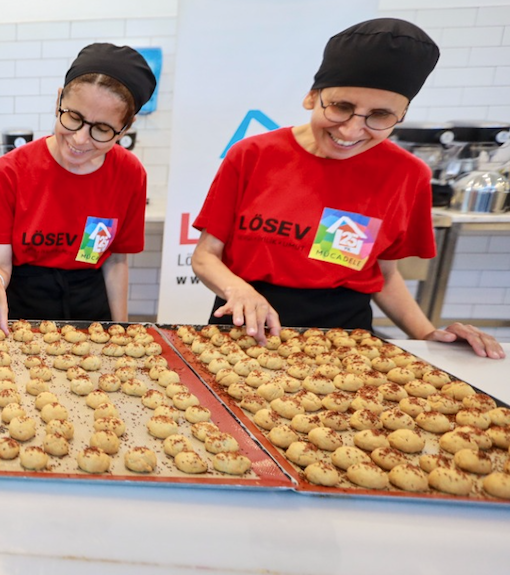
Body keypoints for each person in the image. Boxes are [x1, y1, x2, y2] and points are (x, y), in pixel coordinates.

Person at [191, 18, 504, 359]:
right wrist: (238, 289)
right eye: (341, 107)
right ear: (313, 96)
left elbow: (383, 275)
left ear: (402, 115)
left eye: (380, 115)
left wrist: (429, 334)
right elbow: (207, 256)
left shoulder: (406, 174)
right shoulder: (253, 155)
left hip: (343, 340)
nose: (353, 130)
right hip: (245, 327)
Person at [0, 43, 156, 332]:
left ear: (126, 127)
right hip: (21, 307)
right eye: (73, 118)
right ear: (59, 99)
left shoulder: (130, 174)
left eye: (102, 129)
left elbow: (115, 261)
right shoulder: (9, 172)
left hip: (91, 308)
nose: (81, 139)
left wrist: (121, 329)